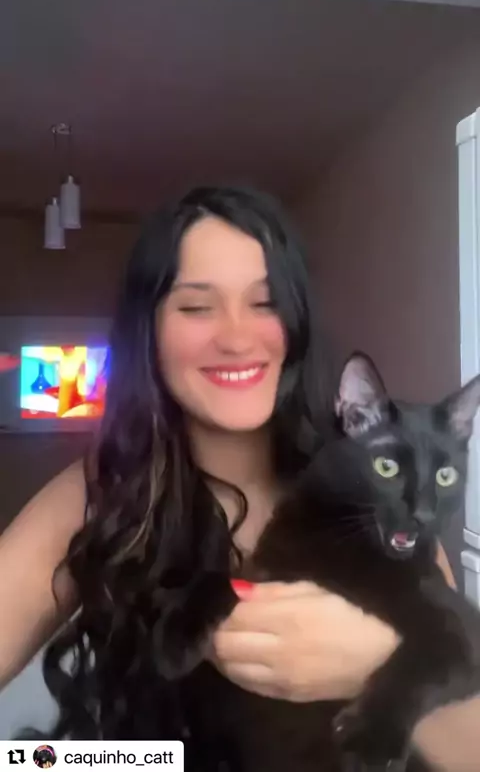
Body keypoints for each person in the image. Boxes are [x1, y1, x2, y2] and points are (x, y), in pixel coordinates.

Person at [0, 187, 477, 768]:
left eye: (265, 303)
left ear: (295, 323)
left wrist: (372, 664)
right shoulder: (102, 489)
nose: (235, 337)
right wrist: (45, 763)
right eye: (197, 307)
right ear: (149, 332)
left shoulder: (376, 496)